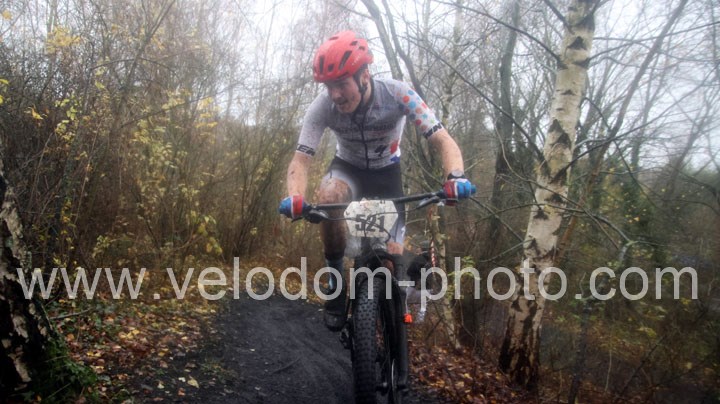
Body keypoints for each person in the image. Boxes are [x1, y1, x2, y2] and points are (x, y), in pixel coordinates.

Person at [279, 30, 474, 331]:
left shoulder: (398, 94)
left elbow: (442, 140)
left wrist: (455, 177)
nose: (335, 94)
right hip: (348, 170)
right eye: (329, 86)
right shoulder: (322, 106)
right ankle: (335, 282)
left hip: (387, 174)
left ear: (364, 75)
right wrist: (295, 197)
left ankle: (391, 335)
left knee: (392, 263)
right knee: (328, 197)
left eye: (341, 84)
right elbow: (300, 160)